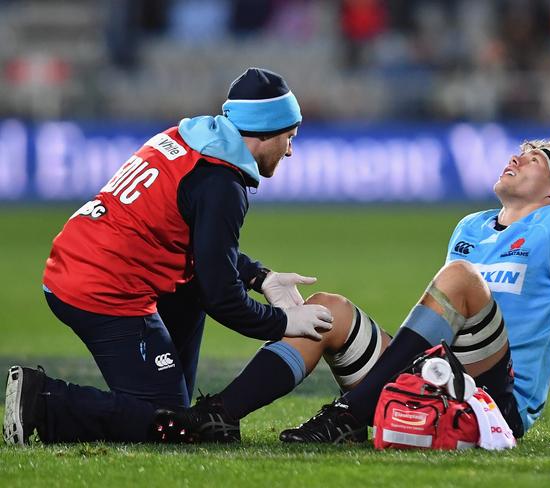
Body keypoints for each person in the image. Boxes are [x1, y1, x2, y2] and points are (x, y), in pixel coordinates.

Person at [153, 136, 550, 445]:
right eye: (520, 150)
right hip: (436, 378)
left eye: (536, 158)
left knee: (461, 278)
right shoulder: (470, 226)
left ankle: (349, 412)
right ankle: (218, 416)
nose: (518, 156)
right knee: (327, 310)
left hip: (495, 404)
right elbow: (440, 319)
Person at [3, 67, 336, 445]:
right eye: (288, 137)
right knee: (173, 424)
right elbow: (222, 298)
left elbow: (199, 248)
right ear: (264, 132)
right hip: (102, 288)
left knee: (189, 289)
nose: (291, 149)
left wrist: (261, 277)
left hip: (80, 262)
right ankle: (43, 400)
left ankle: (158, 388)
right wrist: (282, 322)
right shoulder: (222, 183)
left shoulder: (188, 139)